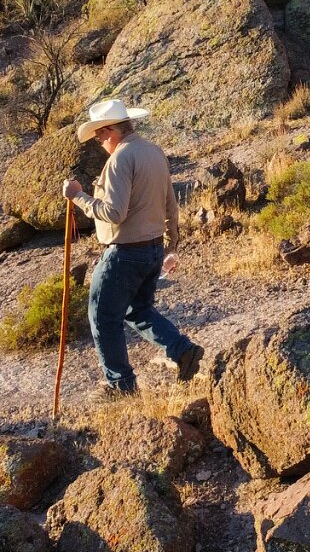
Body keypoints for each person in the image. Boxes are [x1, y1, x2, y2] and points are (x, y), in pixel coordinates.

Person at [62, 98, 204, 396]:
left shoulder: (120, 159)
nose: (100, 143)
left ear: (110, 131)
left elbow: (114, 213)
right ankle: (182, 350)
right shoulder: (153, 151)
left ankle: (121, 386)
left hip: (124, 253)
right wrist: (171, 246)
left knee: (103, 318)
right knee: (137, 309)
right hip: (152, 249)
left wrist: (78, 196)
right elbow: (170, 203)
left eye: (99, 137)